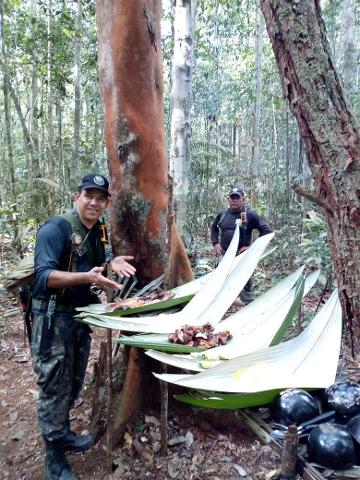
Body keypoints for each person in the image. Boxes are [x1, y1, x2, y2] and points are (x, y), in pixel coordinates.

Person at [30, 173, 136, 480]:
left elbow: (96, 265)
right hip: (52, 318)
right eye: (88, 195)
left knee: (73, 382)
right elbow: (43, 277)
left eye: (100, 198)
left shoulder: (100, 229)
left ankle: (62, 435)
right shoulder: (57, 228)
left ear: (106, 203)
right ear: (77, 196)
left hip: (79, 318)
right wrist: (87, 278)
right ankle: (54, 458)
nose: (94, 202)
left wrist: (111, 264)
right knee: (54, 386)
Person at [211, 187, 272, 303]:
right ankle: (222, 305)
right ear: (228, 200)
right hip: (224, 255)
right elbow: (214, 228)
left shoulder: (250, 215)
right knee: (220, 283)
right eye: (232, 197)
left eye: (237, 197)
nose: (234, 200)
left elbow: (266, 230)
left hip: (242, 257)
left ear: (243, 200)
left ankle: (247, 307)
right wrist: (215, 243)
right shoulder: (222, 214)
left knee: (245, 287)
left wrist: (252, 248)